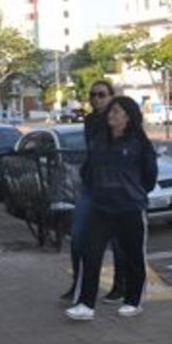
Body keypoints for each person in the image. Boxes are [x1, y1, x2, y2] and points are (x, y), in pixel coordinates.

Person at [67, 95, 158, 321]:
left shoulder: (139, 143)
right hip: (101, 207)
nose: (111, 115)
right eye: (110, 112)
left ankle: (133, 300)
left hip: (130, 207)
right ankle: (85, 304)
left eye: (116, 112)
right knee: (91, 253)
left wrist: (134, 193)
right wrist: (98, 190)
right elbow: (87, 171)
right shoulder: (100, 141)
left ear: (128, 116)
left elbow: (150, 175)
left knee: (133, 256)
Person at [60, 81, 121, 303]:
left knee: (118, 240)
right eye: (92, 95)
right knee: (78, 237)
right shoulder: (90, 120)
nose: (96, 99)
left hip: (114, 187)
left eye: (102, 95)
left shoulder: (119, 120)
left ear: (111, 96)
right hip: (91, 185)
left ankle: (120, 285)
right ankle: (78, 283)